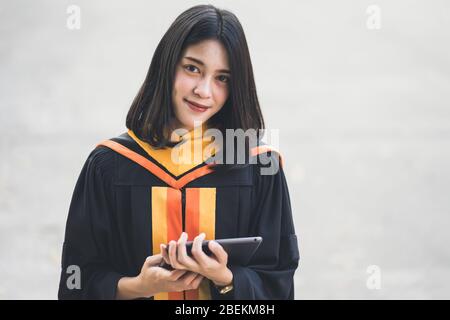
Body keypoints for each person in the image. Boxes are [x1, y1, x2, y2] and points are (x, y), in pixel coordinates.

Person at [58, 4, 299, 300]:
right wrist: (140, 287)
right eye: (192, 68)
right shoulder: (111, 165)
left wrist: (225, 279)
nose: (204, 90)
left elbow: (278, 285)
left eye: (222, 78)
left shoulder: (260, 167)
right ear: (167, 66)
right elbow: (77, 281)